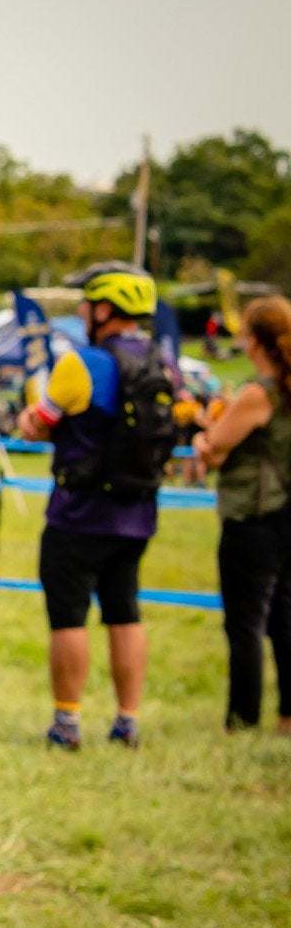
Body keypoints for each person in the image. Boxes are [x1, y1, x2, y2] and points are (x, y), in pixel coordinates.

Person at [17, 262, 173, 750]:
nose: (83, 311)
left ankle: (67, 722)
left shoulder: (80, 364)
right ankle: (127, 720)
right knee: (125, 612)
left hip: (78, 513)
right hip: (137, 512)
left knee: (69, 616)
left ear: (105, 310)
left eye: (87, 303)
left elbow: (38, 423)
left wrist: (30, 415)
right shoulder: (162, 362)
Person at [190, 295, 291, 732]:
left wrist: (201, 433)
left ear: (255, 342)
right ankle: (287, 713)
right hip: (287, 512)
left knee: (246, 622)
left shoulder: (258, 393)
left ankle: (243, 716)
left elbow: (215, 447)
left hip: (254, 514)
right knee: (285, 617)